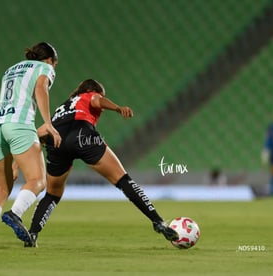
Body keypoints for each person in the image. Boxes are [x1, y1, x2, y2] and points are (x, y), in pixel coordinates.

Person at [22, 79, 178, 247]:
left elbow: (40, 132)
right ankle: (158, 221)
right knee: (123, 180)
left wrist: (18, 163)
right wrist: (118, 108)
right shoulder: (89, 95)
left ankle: (32, 233)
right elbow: (97, 100)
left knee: (52, 194)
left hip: (57, 142)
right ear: (91, 90)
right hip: (82, 136)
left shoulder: (62, 108)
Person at [0, 42, 61, 248]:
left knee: (1, 187)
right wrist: (48, 124)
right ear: (50, 60)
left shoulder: (10, 70)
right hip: (19, 124)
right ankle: (15, 214)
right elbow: (41, 87)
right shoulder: (45, 68)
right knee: (38, 180)